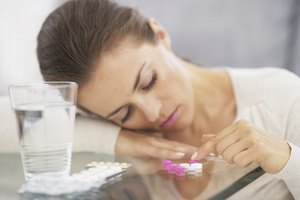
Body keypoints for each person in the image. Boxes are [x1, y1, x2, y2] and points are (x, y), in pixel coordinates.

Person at [36, 0, 300, 199]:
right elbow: (17, 121)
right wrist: (120, 139)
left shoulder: (278, 97)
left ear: (160, 35)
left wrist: (288, 160)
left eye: (149, 81)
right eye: (125, 113)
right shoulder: (118, 144)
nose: (153, 114)